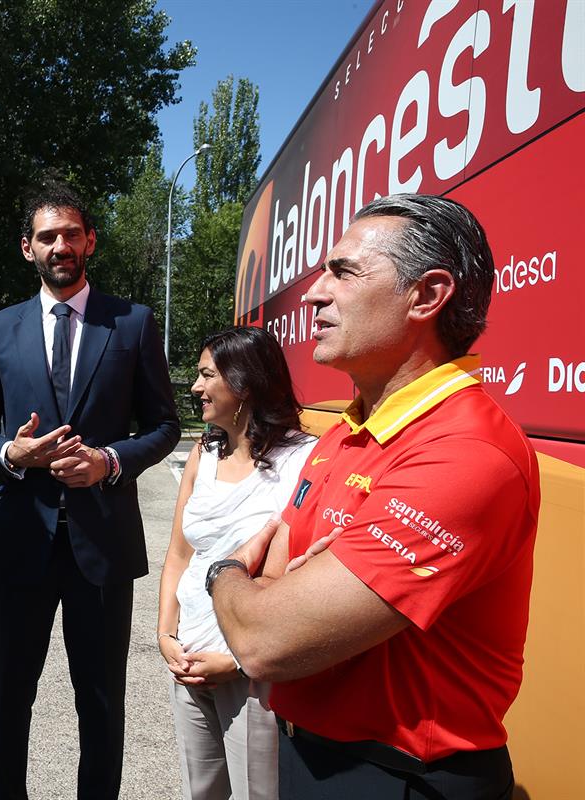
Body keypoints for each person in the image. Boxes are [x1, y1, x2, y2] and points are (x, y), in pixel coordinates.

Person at [209, 194, 540, 798]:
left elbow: (265, 640)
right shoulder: (346, 430)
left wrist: (223, 572)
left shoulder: (467, 450)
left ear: (426, 295)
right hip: (310, 754)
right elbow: (276, 582)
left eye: (344, 271)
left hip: (400, 777)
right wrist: (268, 593)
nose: (313, 294)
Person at [0, 179, 180, 800]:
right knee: (8, 697)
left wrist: (109, 461)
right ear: (26, 248)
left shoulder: (132, 323)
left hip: (102, 547)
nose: (60, 245)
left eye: (71, 234)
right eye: (47, 236)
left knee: (102, 702)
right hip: (19, 544)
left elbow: (165, 425)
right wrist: (10, 452)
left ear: (91, 242)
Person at [157, 327, 314, 800]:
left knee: (257, 793)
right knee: (200, 791)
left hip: (251, 673)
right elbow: (180, 553)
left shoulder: (302, 461)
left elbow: (299, 574)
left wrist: (239, 660)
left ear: (244, 384)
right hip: (187, 661)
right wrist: (166, 634)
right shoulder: (202, 455)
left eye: (207, 375)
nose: (195, 387)